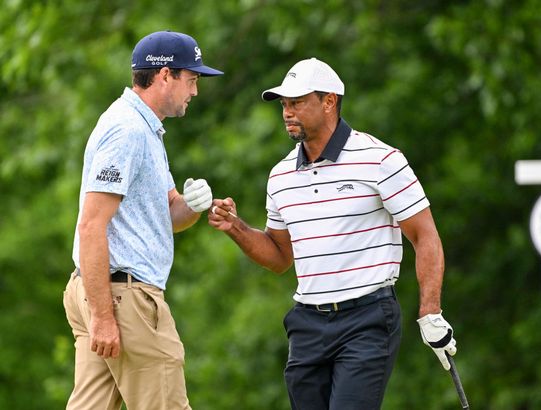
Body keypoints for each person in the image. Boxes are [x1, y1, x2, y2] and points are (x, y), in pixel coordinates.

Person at [208, 57, 458, 409]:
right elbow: (280, 258)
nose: (287, 112)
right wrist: (236, 228)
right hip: (307, 322)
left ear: (329, 102)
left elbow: (425, 236)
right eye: (284, 104)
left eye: (297, 102)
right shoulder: (280, 176)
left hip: (367, 319)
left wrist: (430, 311)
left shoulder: (380, 159)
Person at [62, 30, 223, 410]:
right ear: (165, 75)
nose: (195, 91)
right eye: (192, 79)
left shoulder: (145, 129)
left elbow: (169, 214)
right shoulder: (127, 130)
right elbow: (91, 225)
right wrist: (104, 317)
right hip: (123, 297)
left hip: (103, 291)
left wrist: (192, 205)